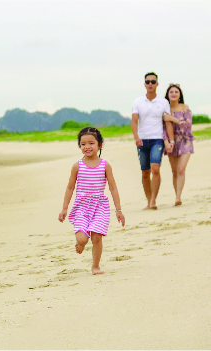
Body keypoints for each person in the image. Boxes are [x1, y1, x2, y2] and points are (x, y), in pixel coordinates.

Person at [59, 127, 125, 275]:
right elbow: (70, 188)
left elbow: (113, 188)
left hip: (99, 205)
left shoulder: (105, 165)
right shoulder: (77, 166)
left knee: (96, 236)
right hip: (81, 207)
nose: (87, 147)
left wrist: (118, 210)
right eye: (83, 144)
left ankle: (95, 266)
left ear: (99, 145)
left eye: (91, 143)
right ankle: (80, 244)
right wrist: (64, 208)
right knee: (82, 239)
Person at [131, 72, 175, 210]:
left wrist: (171, 141)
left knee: (155, 168)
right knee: (145, 172)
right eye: (148, 81)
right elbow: (134, 121)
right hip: (142, 140)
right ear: (144, 84)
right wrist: (136, 137)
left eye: (153, 81)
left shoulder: (163, 102)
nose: (150, 84)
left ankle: (153, 201)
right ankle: (148, 200)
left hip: (157, 140)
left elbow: (168, 122)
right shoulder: (137, 102)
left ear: (157, 84)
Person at [162, 83, 194, 206]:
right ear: (168, 95)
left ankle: (178, 197)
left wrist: (172, 118)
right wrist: (166, 141)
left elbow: (187, 124)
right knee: (174, 171)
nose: (174, 94)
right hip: (171, 141)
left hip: (186, 140)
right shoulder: (165, 109)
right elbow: (163, 128)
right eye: (171, 92)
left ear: (179, 94)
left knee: (181, 169)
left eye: (176, 92)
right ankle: (177, 195)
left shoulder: (185, 107)